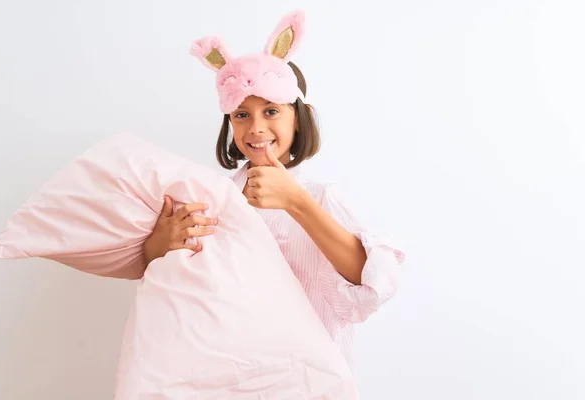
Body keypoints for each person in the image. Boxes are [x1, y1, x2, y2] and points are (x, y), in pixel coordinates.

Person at [142, 10, 406, 370]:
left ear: (298, 117)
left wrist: (297, 202)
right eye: (241, 114)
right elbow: (175, 288)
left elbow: (374, 286)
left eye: (270, 111)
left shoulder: (320, 197)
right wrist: (159, 244)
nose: (255, 128)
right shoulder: (211, 198)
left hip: (308, 381)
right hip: (230, 378)